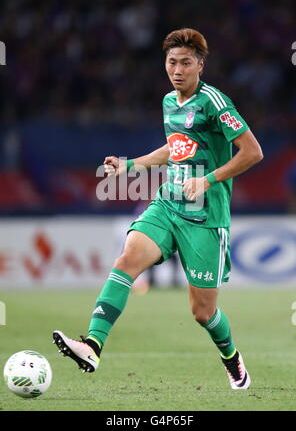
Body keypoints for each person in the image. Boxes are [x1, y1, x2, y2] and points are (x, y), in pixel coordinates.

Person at [53, 28, 263, 389]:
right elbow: (175, 147)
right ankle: (92, 344)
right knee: (126, 260)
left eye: (185, 63)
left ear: (200, 64)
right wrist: (130, 165)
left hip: (206, 218)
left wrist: (208, 180)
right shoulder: (169, 102)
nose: (177, 70)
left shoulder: (214, 102)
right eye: (171, 62)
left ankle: (231, 358)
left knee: (203, 313)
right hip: (168, 204)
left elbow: (252, 152)